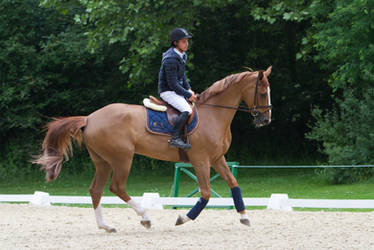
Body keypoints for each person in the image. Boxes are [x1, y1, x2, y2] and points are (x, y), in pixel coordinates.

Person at [158, 28, 198, 150]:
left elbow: (182, 76)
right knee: (187, 110)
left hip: (176, 89)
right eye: (183, 41)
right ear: (175, 43)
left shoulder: (181, 55)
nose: (186, 44)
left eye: (187, 41)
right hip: (167, 91)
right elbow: (172, 84)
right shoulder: (171, 58)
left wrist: (189, 89)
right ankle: (175, 138)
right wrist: (187, 94)